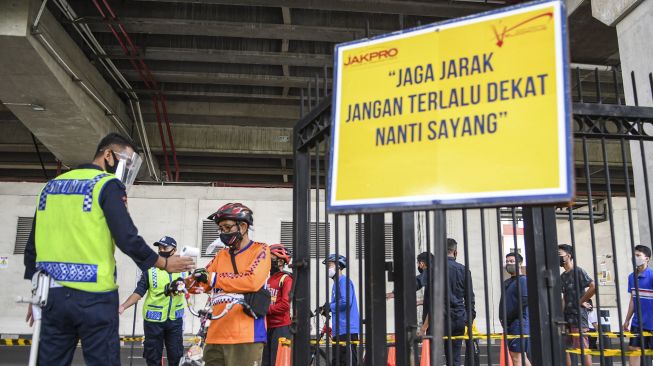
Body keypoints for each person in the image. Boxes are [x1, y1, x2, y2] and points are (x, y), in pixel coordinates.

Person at [22, 133, 195, 366]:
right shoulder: (107, 185)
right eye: (127, 162)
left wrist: (36, 294)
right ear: (108, 155)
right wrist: (163, 263)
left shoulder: (51, 187)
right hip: (94, 299)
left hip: (53, 298)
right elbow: (126, 237)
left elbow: (32, 246)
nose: (126, 170)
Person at [186, 202, 270, 366]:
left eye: (227, 227)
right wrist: (186, 281)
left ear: (243, 226)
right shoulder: (221, 255)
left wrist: (213, 278)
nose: (223, 233)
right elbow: (201, 284)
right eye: (221, 229)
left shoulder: (260, 250)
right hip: (215, 335)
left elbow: (252, 281)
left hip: (246, 335)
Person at [118, 236, 186, 366]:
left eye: (165, 247)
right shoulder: (150, 269)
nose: (161, 250)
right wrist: (123, 306)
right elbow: (139, 291)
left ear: (174, 250)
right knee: (153, 357)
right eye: (159, 247)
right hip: (153, 322)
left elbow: (192, 287)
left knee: (176, 356)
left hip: (175, 321)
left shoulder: (183, 269)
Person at [559, 244, 595, 366]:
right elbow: (564, 296)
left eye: (560, 255)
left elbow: (593, 286)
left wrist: (581, 301)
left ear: (568, 256)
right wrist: (561, 315)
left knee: (583, 349)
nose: (557, 258)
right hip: (566, 317)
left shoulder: (578, 271)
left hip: (578, 316)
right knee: (565, 348)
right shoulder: (562, 276)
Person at [442, 238, 476, 366]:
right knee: (455, 354)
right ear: (455, 252)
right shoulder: (464, 270)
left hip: (442, 318)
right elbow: (470, 297)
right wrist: (469, 318)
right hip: (459, 317)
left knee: (436, 353)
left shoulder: (436, 269)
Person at [322, 254, 360, 366]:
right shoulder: (336, 284)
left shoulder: (344, 281)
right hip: (339, 330)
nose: (328, 268)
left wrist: (330, 306)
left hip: (347, 329)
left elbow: (346, 302)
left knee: (347, 362)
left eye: (330, 265)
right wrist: (326, 308)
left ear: (339, 266)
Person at [262, 244, 293, 366]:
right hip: (267, 326)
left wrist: (266, 309)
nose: (268, 260)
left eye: (271, 257)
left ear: (280, 261)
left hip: (281, 328)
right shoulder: (269, 280)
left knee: (278, 362)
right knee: (266, 362)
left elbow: (285, 305)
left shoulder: (286, 279)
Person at [498, 252, 531, 366]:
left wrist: (508, 317)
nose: (509, 263)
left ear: (520, 263)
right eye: (507, 261)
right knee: (521, 357)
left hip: (519, 324)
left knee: (516, 357)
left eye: (512, 261)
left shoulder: (523, 280)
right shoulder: (507, 282)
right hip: (510, 324)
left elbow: (524, 301)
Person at [623, 245, 653, 366]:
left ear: (647, 259)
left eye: (638, 255)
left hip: (651, 323)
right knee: (634, 350)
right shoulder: (631, 277)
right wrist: (627, 320)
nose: (635, 258)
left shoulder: (651, 276)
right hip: (637, 323)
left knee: (650, 354)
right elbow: (632, 301)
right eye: (634, 255)